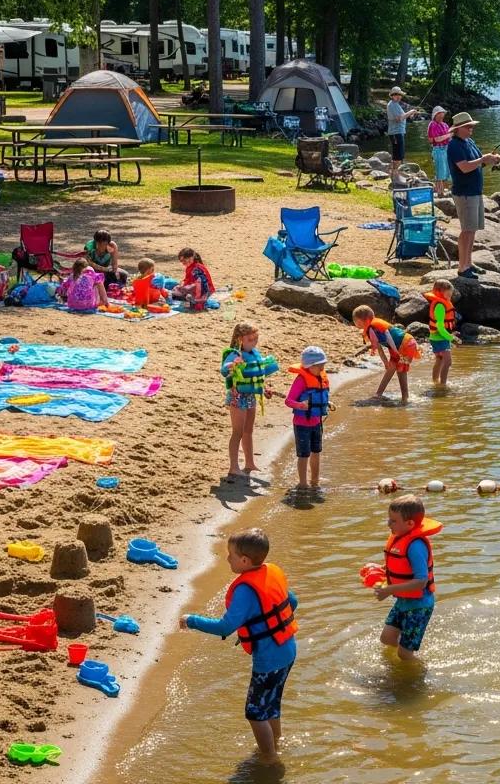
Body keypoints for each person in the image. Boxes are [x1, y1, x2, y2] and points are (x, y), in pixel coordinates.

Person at [179, 528, 297, 762]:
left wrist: (191, 621)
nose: (227, 558)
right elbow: (292, 600)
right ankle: (276, 744)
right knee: (271, 704)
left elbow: (225, 627)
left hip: (269, 660)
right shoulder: (269, 572)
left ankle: (270, 759)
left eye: (230, 554)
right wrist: (264, 624)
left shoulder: (245, 589)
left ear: (244, 560)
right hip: (288, 649)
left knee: (254, 713)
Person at [373, 494, 442, 660]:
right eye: (389, 519)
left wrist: (389, 590)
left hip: (419, 605)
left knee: (404, 653)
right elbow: (402, 566)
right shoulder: (400, 538)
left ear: (410, 523)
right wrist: (383, 570)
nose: (388, 523)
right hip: (403, 602)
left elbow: (421, 581)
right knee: (387, 638)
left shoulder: (415, 546)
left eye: (393, 521)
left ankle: (418, 674)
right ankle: (405, 654)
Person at [445, 112, 500, 279]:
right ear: (458, 129)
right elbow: (464, 167)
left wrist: (491, 159)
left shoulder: (469, 142)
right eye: (468, 126)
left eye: (472, 126)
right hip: (464, 193)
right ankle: (463, 268)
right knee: (467, 230)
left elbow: (478, 162)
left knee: (472, 230)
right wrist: (483, 159)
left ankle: (468, 263)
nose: (471, 129)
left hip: (475, 191)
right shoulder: (454, 145)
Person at [221, 322, 276, 479]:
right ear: (240, 340)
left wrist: (264, 390)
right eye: (250, 339)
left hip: (251, 396)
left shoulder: (255, 353)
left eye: (255, 339)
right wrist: (233, 364)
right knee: (237, 432)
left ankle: (250, 463)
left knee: (248, 431)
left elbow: (257, 375)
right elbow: (224, 370)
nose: (254, 342)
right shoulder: (234, 354)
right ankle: (233, 467)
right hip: (238, 396)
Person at [284, 345, 330, 500]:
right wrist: (300, 405)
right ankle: (303, 483)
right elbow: (288, 401)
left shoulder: (320, 377)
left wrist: (327, 403)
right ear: (310, 366)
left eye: (324, 365)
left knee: (316, 452)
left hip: (316, 422)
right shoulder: (301, 380)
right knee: (304, 454)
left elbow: (319, 394)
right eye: (320, 366)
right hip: (302, 423)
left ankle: (315, 481)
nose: (323, 368)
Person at [352, 304, 420, 403]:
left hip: (405, 344)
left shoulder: (373, 328)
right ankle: (379, 394)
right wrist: (385, 363)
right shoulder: (372, 330)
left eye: (355, 322)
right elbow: (380, 349)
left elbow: (388, 338)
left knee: (401, 370)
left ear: (361, 321)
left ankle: (405, 398)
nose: (355, 324)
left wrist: (396, 353)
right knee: (391, 368)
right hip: (401, 345)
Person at [424, 279, 459, 387]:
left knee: (439, 360)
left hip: (435, 337)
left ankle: (435, 382)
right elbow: (440, 327)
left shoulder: (441, 303)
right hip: (440, 337)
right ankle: (443, 385)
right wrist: (451, 337)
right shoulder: (440, 306)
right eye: (448, 294)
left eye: (450, 295)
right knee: (448, 362)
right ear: (439, 292)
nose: (449, 297)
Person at [386, 86, 418, 181]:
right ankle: (395, 177)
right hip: (396, 133)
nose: (398, 96)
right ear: (392, 96)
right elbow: (399, 118)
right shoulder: (392, 105)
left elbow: (402, 117)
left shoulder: (396, 105)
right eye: (396, 95)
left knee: (398, 155)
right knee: (397, 156)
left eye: (399, 95)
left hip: (398, 132)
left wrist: (410, 115)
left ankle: (395, 175)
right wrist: (411, 112)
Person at [427, 104, 452, 197]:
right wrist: (449, 135)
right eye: (439, 115)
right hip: (438, 150)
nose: (442, 116)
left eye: (442, 115)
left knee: (447, 171)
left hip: (446, 149)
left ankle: (444, 191)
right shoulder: (432, 124)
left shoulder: (445, 125)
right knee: (440, 172)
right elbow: (435, 139)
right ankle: (440, 193)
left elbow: (449, 138)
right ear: (435, 115)